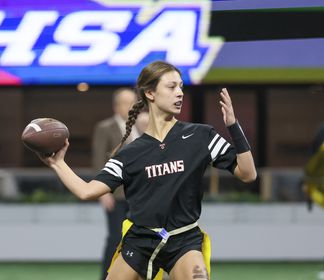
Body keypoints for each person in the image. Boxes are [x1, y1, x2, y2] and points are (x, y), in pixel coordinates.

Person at [35, 61, 256, 280]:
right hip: (139, 243)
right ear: (150, 93)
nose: (179, 93)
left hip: (184, 240)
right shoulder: (129, 154)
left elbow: (248, 174)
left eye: (180, 86)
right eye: (171, 87)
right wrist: (58, 164)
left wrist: (233, 125)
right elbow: (87, 191)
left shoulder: (201, 136)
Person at [92, 88, 141, 280]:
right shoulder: (104, 128)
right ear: (116, 106)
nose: (131, 107)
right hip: (116, 195)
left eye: (134, 102)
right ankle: (107, 276)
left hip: (140, 196)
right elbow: (98, 161)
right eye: (126, 102)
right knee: (115, 239)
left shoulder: (142, 127)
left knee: (143, 239)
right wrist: (103, 193)